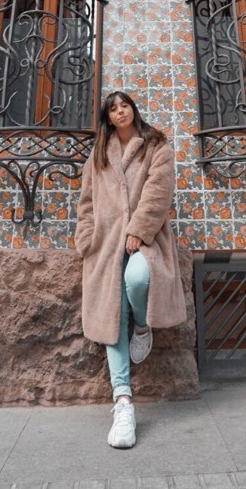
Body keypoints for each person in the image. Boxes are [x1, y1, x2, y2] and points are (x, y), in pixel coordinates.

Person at [74, 91, 187, 449]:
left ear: (133, 110)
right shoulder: (98, 156)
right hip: (105, 244)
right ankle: (122, 400)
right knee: (111, 314)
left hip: (146, 239)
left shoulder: (157, 147)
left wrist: (139, 230)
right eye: (112, 108)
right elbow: (87, 201)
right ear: (107, 117)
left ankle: (142, 326)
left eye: (124, 105)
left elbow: (159, 192)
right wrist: (86, 237)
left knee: (137, 278)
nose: (120, 111)